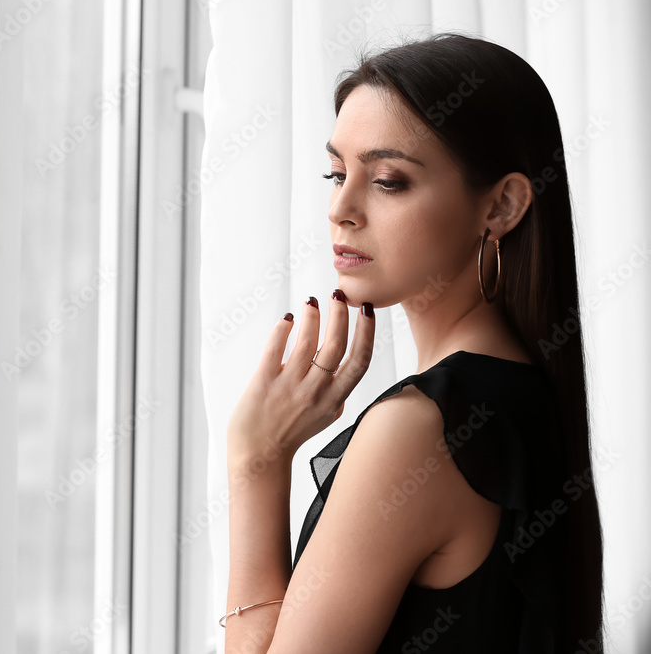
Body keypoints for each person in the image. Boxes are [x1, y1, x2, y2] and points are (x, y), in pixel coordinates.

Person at [220, 32, 605, 653]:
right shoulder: (529, 395)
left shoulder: (419, 431)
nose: (340, 208)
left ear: (502, 205)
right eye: (336, 172)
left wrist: (255, 466)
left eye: (388, 180)